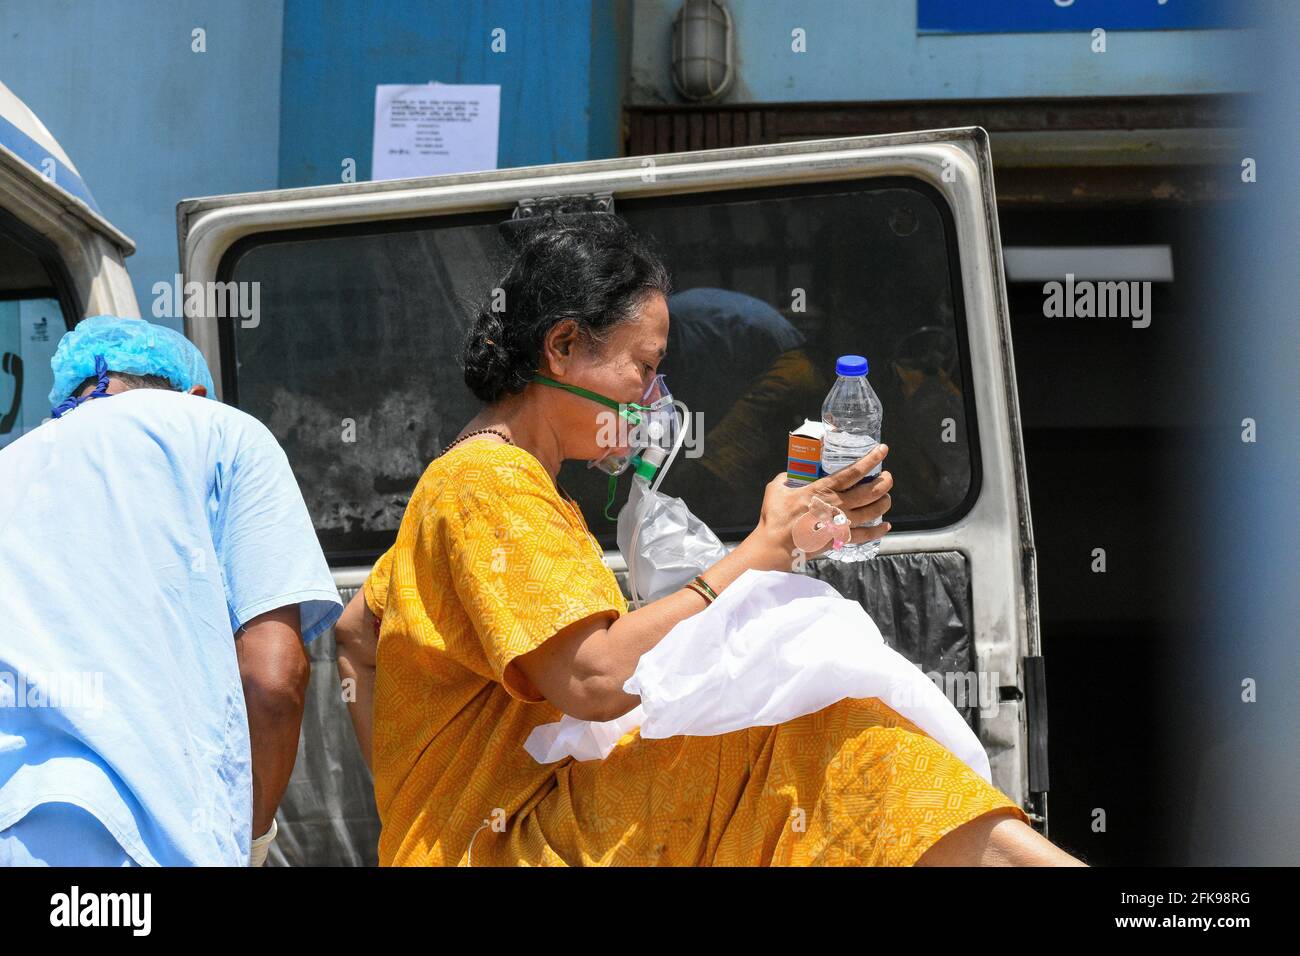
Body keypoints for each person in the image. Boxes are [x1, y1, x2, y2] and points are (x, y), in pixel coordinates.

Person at [336, 214, 1085, 866]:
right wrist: (761, 552)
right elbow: (594, 681)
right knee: (831, 741)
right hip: (516, 841)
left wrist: (415, 816)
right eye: (644, 366)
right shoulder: (491, 485)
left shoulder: (473, 482)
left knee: (819, 742)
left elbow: (356, 634)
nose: (652, 398)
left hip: (495, 832)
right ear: (563, 346)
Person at [0, 316, 343, 866]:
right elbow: (273, 680)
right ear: (197, 394)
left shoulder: (9, 467)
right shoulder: (221, 431)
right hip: (157, 845)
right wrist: (252, 840)